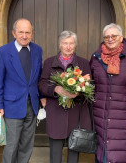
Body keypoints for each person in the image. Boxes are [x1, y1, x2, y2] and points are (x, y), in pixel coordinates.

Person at [89, 23, 126, 163]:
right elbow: (91, 83)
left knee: (119, 151)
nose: (110, 39)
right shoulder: (96, 58)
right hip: (100, 113)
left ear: (121, 37)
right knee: (101, 150)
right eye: (107, 36)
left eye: (113, 36)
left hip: (123, 114)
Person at [0, 18, 44, 163]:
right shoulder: (2, 52)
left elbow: (39, 76)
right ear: (14, 33)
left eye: (28, 32)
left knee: (27, 146)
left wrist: (42, 97)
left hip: (32, 105)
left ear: (32, 34)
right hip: (11, 106)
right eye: (21, 32)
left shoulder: (37, 50)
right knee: (11, 146)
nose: (24, 36)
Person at [38, 31, 92, 163]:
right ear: (60, 45)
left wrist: (78, 92)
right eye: (65, 43)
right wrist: (56, 89)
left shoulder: (83, 63)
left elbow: (90, 87)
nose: (68, 46)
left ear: (75, 45)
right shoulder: (49, 62)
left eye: (71, 43)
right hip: (56, 112)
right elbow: (42, 84)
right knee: (55, 153)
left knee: (74, 149)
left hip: (76, 113)